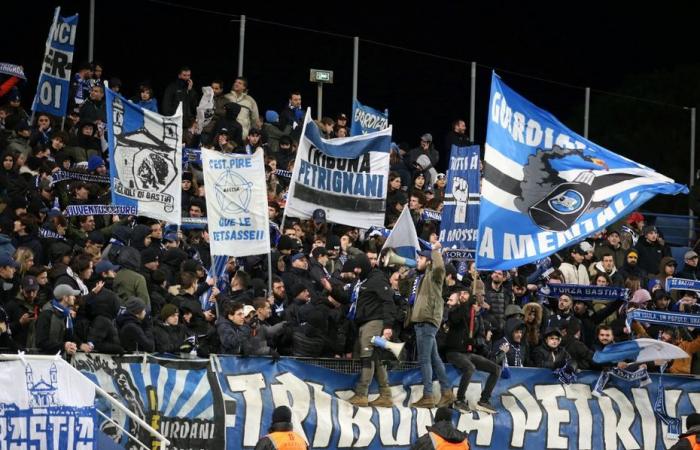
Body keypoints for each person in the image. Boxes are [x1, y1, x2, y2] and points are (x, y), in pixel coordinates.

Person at [400, 241, 453, 408]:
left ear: (429, 261)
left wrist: (435, 251)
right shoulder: (420, 278)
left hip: (427, 319)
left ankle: (428, 396)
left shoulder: (434, 275)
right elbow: (405, 293)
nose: (417, 260)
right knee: (434, 358)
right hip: (421, 319)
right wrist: (403, 277)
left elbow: (439, 268)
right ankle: (447, 392)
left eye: (421, 258)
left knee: (424, 359)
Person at [347, 253, 396, 408]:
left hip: (374, 323)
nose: (356, 270)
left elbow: (388, 301)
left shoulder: (377, 278)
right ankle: (386, 395)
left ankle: (362, 394)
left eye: (358, 268)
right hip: (364, 323)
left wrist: (388, 326)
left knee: (367, 356)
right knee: (376, 358)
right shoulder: (362, 281)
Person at [445, 288, 500, 414]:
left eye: (466, 293)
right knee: (470, 367)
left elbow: (479, 338)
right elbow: (455, 319)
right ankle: (459, 400)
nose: (463, 295)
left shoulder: (475, 318)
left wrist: (474, 342)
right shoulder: (454, 310)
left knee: (496, 369)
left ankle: (484, 400)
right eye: (461, 293)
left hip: (467, 353)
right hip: (453, 352)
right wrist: (466, 304)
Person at [35, 284, 92, 355]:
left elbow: (68, 335)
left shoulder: (66, 314)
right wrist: (64, 346)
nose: (74, 297)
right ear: (65, 298)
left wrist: (79, 344)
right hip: (44, 359)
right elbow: (41, 342)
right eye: (72, 295)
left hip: (58, 358)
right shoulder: (46, 314)